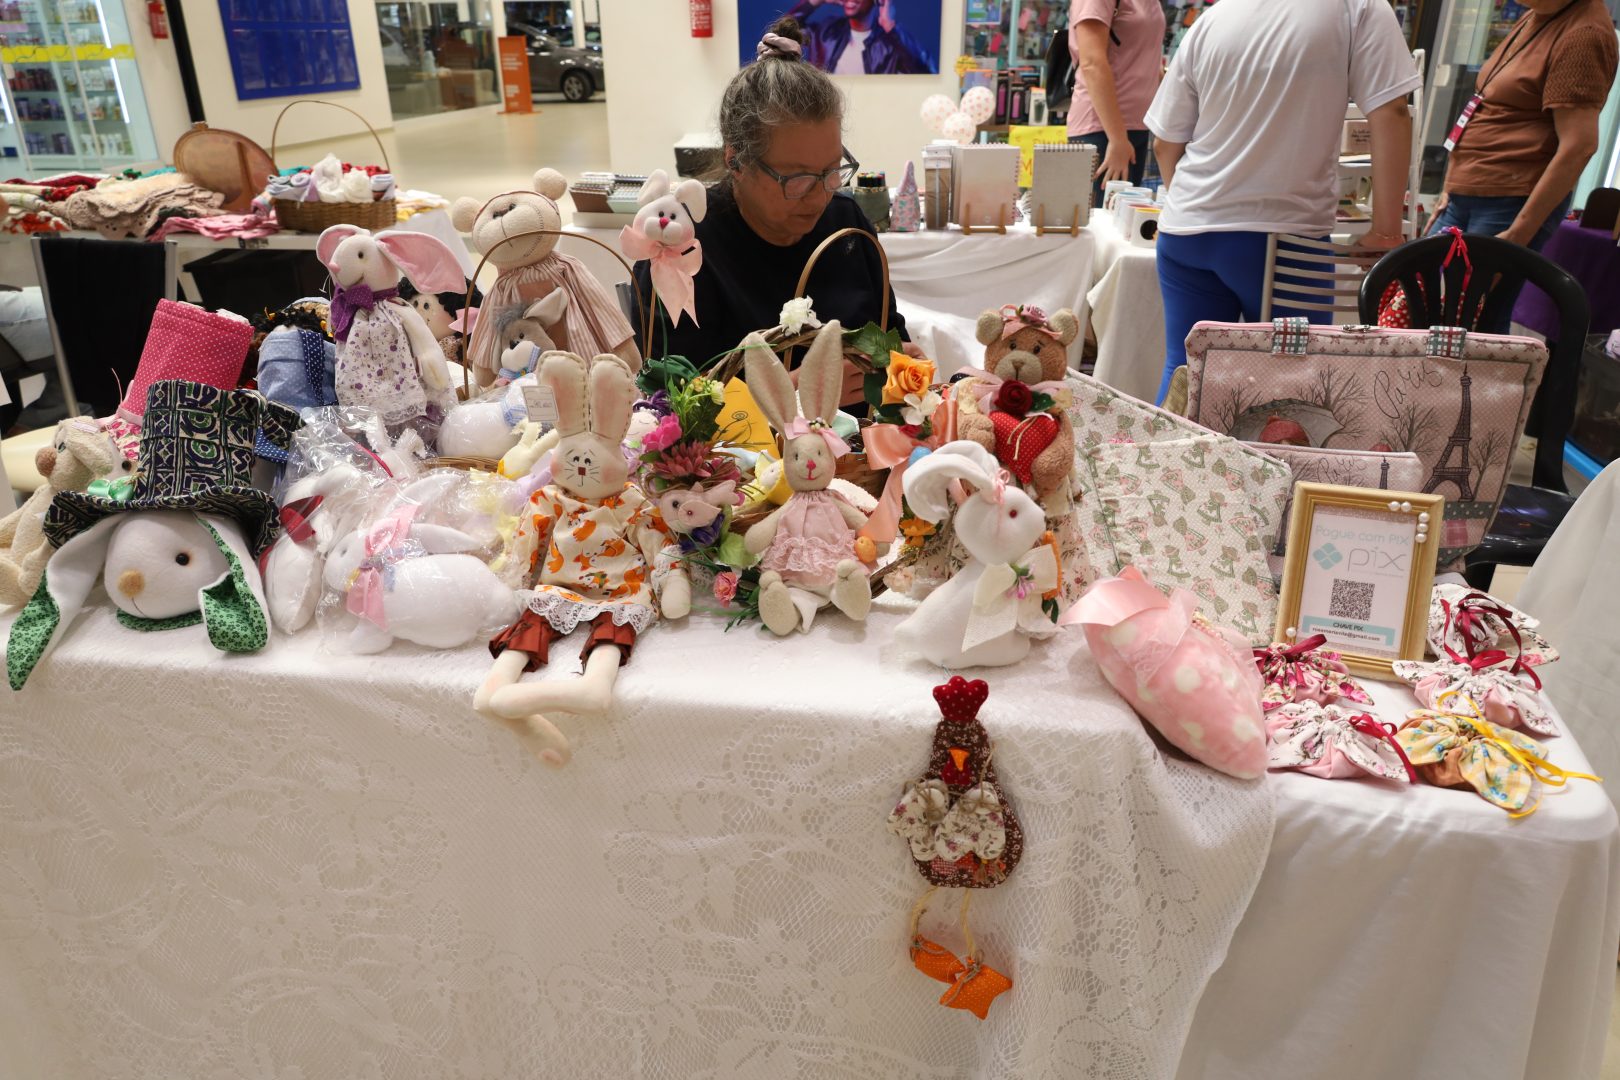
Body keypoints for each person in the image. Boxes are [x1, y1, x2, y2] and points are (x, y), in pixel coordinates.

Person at [1144, 0, 1420, 403]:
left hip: (1187, 233)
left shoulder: (1215, 17)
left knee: (1187, 373)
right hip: (1284, 235)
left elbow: (1165, 144)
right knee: (1291, 384)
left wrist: (1198, 208)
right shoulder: (1356, 7)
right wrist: (1385, 231)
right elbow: (1393, 111)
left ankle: (1165, 464)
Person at [632, 19, 915, 406]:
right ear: (736, 160)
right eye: (796, 179)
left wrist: (903, 368)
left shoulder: (847, 224)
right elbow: (666, 405)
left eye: (832, 171)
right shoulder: (681, 248)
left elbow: (890, 332)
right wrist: (788, 393)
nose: (819, 198)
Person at [1427, 0, 1617, 330]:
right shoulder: (1539, 14)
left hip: (1509, 200)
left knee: (1470, 324)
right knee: (1425, 306)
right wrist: (1450, 187)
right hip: (1470, 193)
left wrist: (1519, 233)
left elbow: (1580, 145)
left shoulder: (1583, 34)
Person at [1067, 0, 1166, 207]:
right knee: (1100, 227)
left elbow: (1148, 58)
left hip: (1136, 127)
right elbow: (1092, 62)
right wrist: (1118, 138)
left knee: (1122, 228)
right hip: (1103, 129)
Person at [783, 0, 936, 75]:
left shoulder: (891, 42)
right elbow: (784, 31)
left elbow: (926, 71)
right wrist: (815, 1)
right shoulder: (826, 32)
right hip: (825, 115)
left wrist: (889, 25)